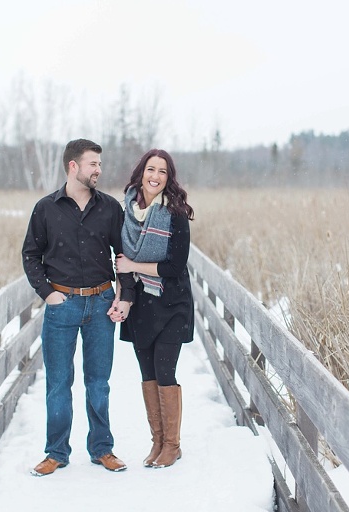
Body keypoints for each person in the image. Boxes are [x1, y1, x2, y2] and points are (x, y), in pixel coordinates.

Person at [22, 138, 135, 477]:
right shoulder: (46, 208)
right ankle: (56, 453)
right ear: (73, 166)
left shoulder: (111, 208)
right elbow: (30, 255)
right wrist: (47, 294)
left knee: (98, 382)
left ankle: (102, 449)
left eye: (100, 164)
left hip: (102, 303)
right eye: (92, 164)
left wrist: (124, 295)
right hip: (62, 305)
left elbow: (125, 258)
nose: (98, 170)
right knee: (58, 382)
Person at [115, 149, 195, 469]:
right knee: (147, 373)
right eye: (152, 169)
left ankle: (172, 445)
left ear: (168, 178)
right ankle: (158, 442)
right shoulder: (127, 213)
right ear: (141, 173)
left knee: (165, 372)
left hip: (172, 303)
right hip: (142, 306)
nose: (156, 176)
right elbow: (120, 261)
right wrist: (125, 294)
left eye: (163, 171)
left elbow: (175, 266)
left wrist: (135, 264)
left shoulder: (176, 213)